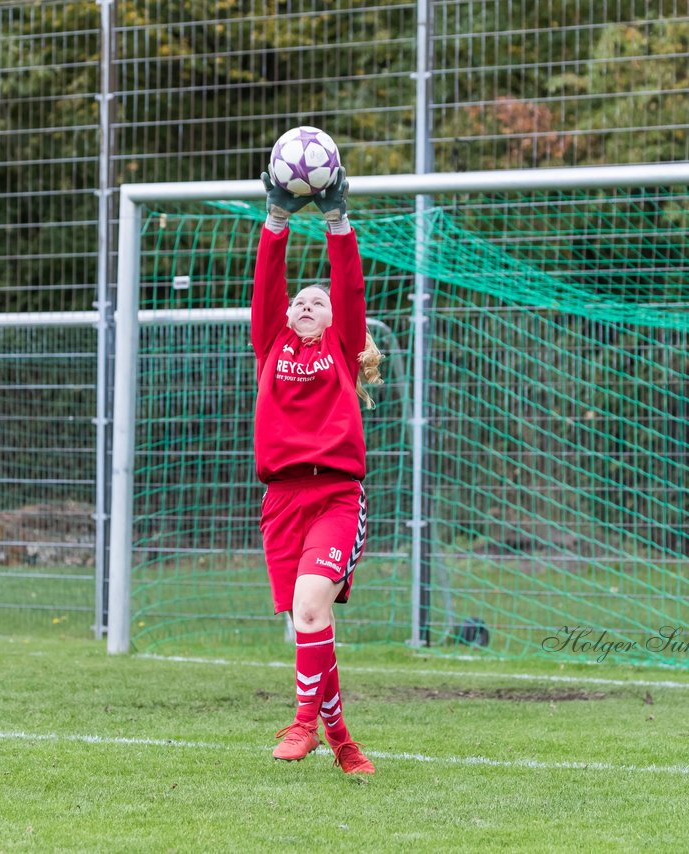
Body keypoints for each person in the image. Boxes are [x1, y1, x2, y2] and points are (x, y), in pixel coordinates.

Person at [251, 166, 383, 776]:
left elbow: (349, 287)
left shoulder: (340, 350)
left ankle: (303, 721)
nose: (306, 303)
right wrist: (275, 221)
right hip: (280, 501)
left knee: (310, 609)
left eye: (317, 301)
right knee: (313, 622)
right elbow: (266, 289)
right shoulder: (272, 345)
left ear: (335, 323)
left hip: (335, 497)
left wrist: (337, 222)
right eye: (300, 301)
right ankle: (344, 741)